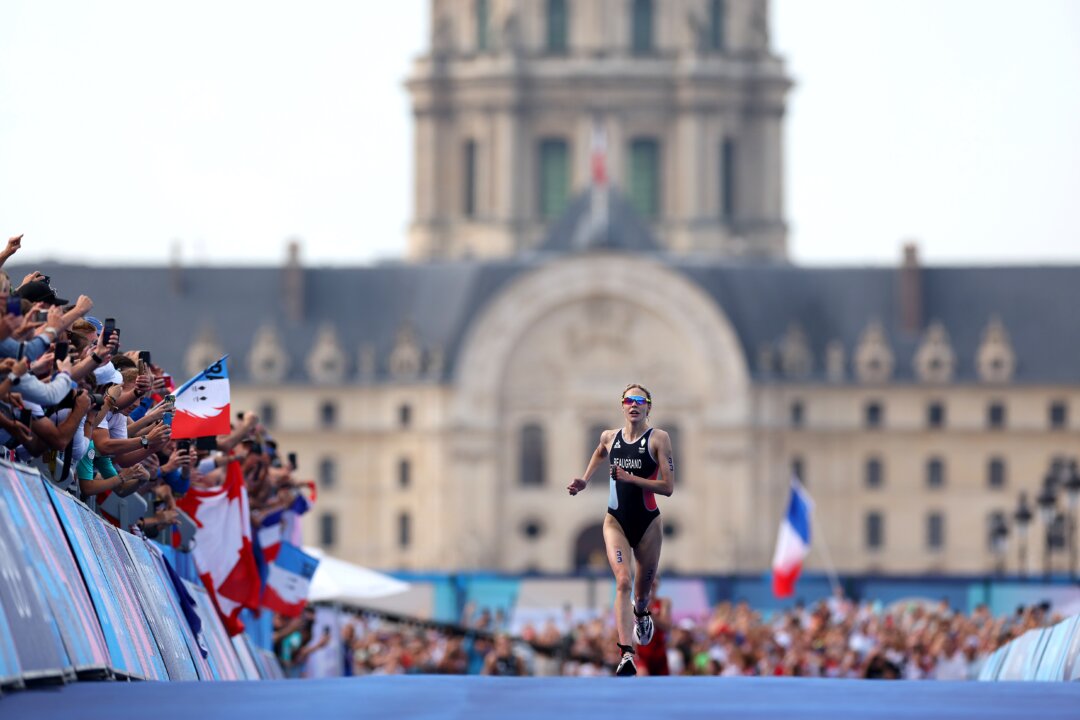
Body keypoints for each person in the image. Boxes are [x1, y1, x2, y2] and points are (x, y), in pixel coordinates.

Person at [567, 383, 675, 676]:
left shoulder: (659, 439)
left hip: (649, 523)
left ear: (648, 407)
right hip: (615, 520)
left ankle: (642, 612)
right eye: (628, 400)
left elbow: (668, 487)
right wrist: (586, 480)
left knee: (641, 593)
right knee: (623, 581)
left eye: (640, 400)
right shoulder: (610, 436)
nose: (634, 405)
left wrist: (630, 477)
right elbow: (600, 451)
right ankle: (626, 653)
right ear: (622, 406)